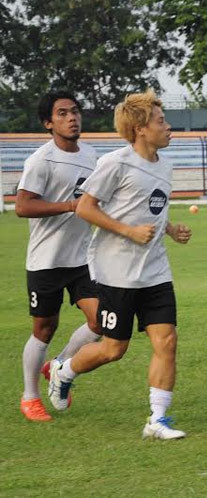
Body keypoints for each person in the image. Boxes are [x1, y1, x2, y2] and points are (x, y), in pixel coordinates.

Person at [49, 90, 192, 439]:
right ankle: (62, 372)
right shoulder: (116, 162)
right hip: (117, 273)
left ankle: (157, 420)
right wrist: (128, 231)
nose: (168, 126)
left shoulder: (165, 164)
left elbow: (151, 207)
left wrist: (170, 228)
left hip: (155, 270)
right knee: (114, 349)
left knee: (167, 340)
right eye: (161, 121)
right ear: (141, 128)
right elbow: (84, 207)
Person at [15, 91, 102, 422]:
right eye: (63, 113)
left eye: (75, 111)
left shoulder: (92, 156)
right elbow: (23, 206)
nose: (72, 117)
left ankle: (60, 365)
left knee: (99, 320)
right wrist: (68, 205)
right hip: (46, 260)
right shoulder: (41, 160)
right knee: (44, 328)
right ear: (48, 123)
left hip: (83, 258)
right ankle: (30, 396)